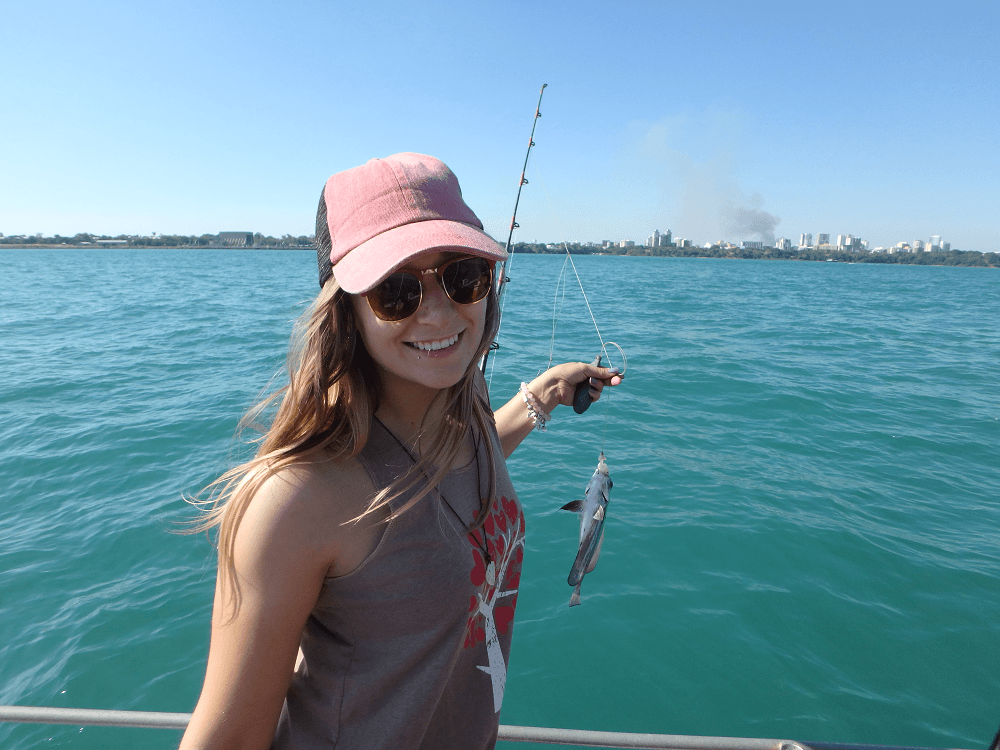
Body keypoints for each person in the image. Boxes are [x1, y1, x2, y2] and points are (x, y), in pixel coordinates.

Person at [179, 152, 622, 750]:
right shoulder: (297, 500)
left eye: (464, 275)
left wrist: (540, 397)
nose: (439, 311)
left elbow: (461, 466)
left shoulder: (461, 412)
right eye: (396, 291)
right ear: (347, 313)